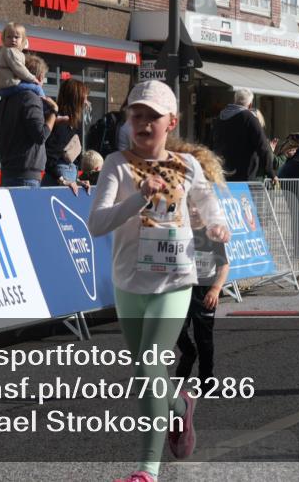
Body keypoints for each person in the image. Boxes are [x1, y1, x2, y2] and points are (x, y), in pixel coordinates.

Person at [88, 80, 230, 482]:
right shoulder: (116, 164)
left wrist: (217, 227)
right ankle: (181, 407)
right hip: (128, 282)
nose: (143, 123)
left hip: (175, 280)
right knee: (145, 376)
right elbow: (96, 223)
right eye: (137, 115)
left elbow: (210, 208)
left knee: (151, 365)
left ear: (172, 121)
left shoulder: (187, 166)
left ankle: (147, 471)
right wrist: (138, 197)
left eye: (153, 116)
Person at [168, 139, 231, 386]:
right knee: (176, 331)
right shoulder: (177, 229)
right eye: (190, 207)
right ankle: (188, 353)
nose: (194, 211)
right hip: (181, 290)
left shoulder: (213, 233)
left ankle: (207, 379)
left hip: (205, 292)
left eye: (198, 208)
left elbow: (224, 265)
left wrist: (216, 289)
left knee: (205, 339)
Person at [0, 55, 59, 188]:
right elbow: (41, 135)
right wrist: (54, 112)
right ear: (40, 77)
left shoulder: (4, 100)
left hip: (7, 171)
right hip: (27, 175)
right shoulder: (31, 97)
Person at [211, 88, 276, 182]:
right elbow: (262, 146)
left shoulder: (220, 117)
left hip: (222, 171)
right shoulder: (249, 118)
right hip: (244, 174)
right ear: (250, 105)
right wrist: (271, 172)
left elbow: (211, 143)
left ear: (235, 100)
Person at [42, 78, 91, 195]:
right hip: (58, 183)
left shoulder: (73, 124)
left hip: (66, 179)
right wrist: (62, 180)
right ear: (76, 99)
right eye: (84, 98)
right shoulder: (62, 123)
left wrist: (77, 180)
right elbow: (49, 159)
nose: (86, 103)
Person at [0, 22, 45, 99]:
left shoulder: (16, 53)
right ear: (4, 39)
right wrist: (33, 79)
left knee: (28, 85)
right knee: (37, 88)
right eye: (9, 37)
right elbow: (19, 69)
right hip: (7, 86)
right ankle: (44, 105)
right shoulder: (9, 51)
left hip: (6, 86)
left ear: (23, 40)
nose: (13, 40)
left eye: (16, 37)